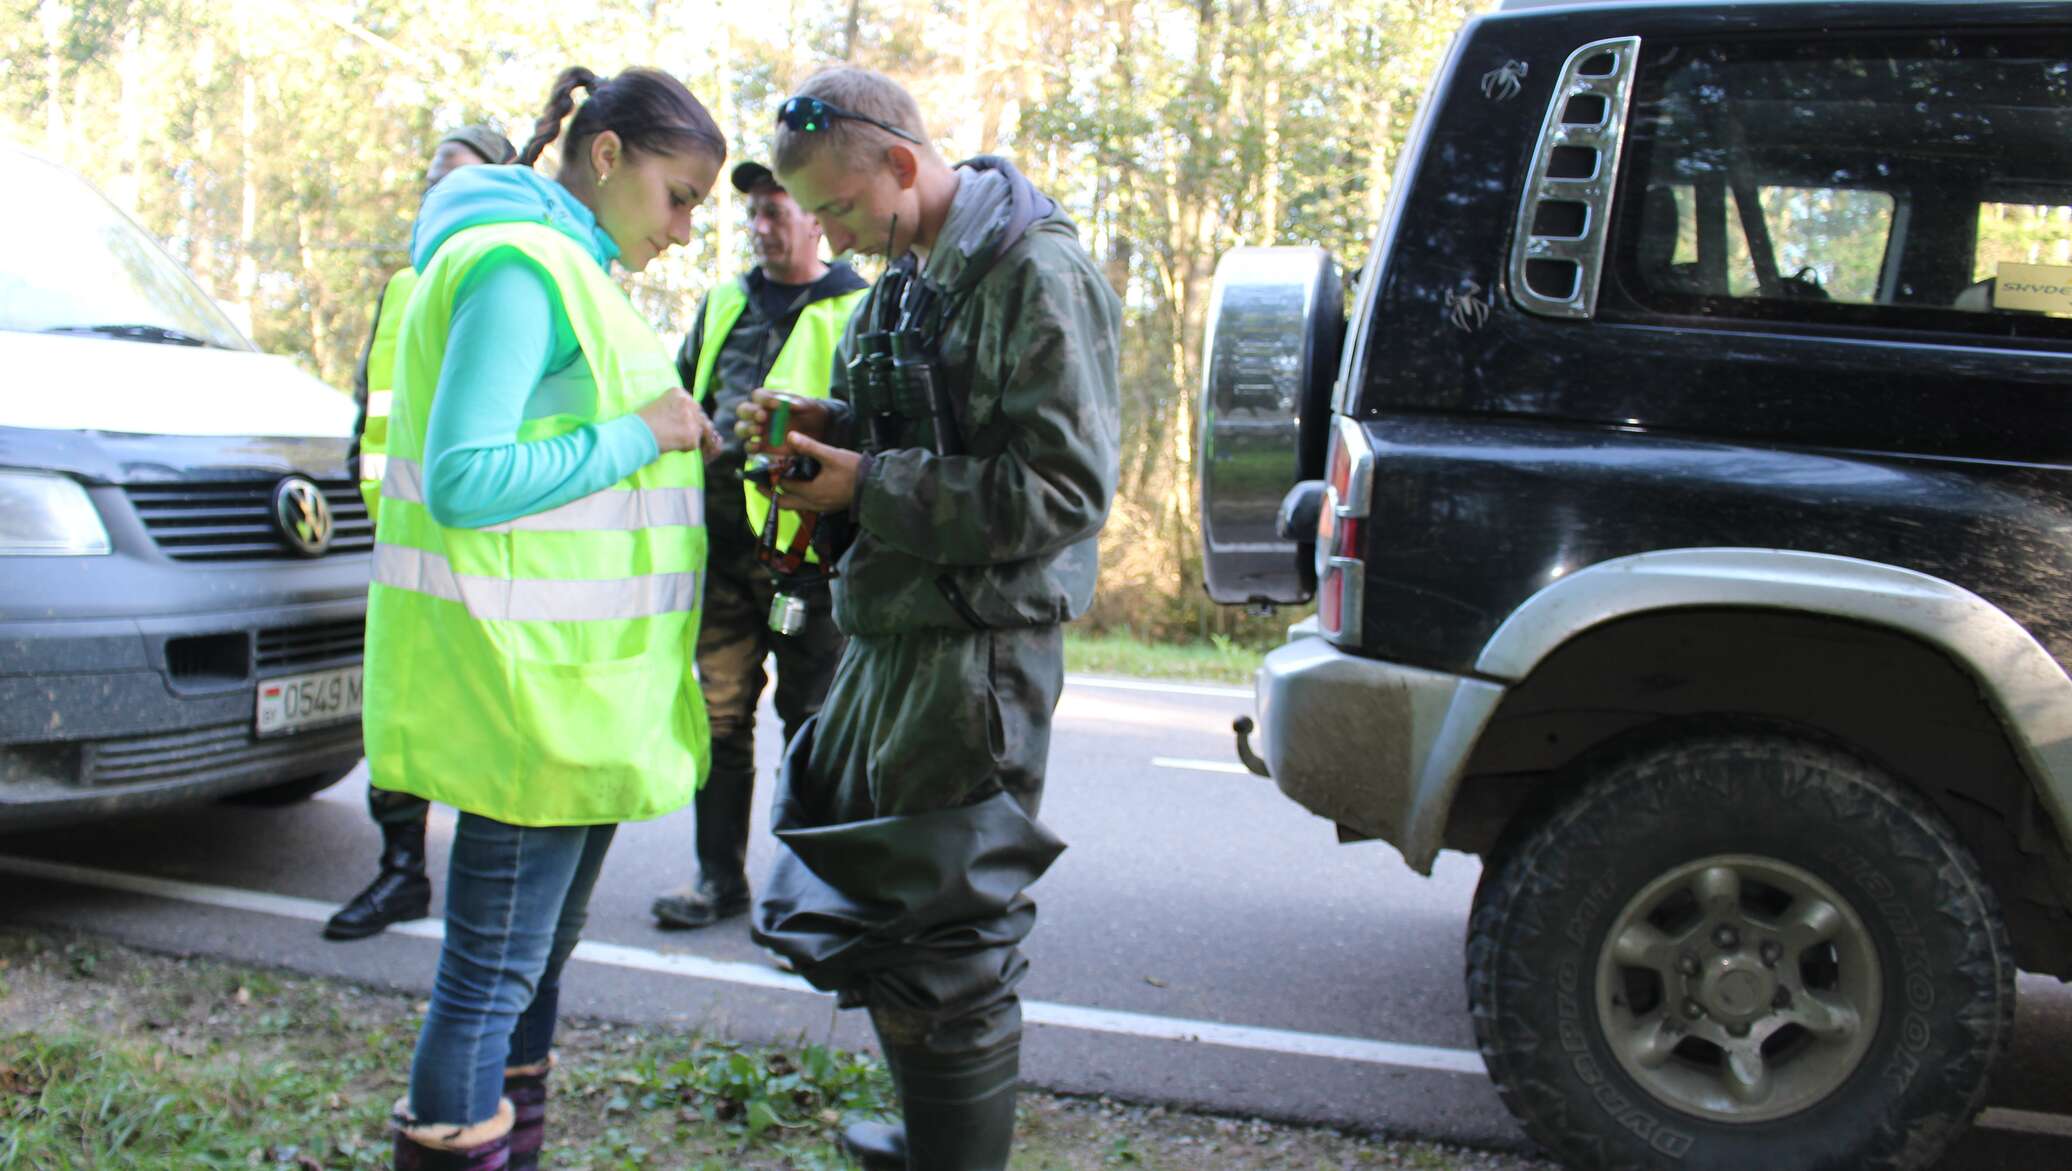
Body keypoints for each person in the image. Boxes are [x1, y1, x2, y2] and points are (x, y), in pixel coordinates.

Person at [743, 66, 1122, 1171]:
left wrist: (863, 483)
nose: (828, 233)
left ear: (900, 164)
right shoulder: (905, 275)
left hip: (977, 649)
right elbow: (924, 422)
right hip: (893, 630)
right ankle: (932, 1131)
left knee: (955, 928)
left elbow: (1058, 494)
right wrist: (826, 427)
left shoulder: (1034, 273)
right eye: (815, 215)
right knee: (886, 899)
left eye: (839, 208)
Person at [361, 66, 725, 1171]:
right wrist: (642, 433)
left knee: (525, 971)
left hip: (576, 696)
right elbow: (470, 478)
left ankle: (506, 1148)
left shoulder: (572, 269)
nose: (685, 228)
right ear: (605, 155)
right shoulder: (517, 268)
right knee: (485, 982)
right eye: (677, 195)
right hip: (527, 695)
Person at [648, 160, 866, 931]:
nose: (761, 228)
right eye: (753, 216)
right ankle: (718, 880)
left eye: (775, 212)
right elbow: (681, 400)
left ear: (813, 216)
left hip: (809, 570)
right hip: (723, 561)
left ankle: (804, 893)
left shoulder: (859, 312)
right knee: (718, 718)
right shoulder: (722, 306)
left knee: (813, 724)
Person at [329, 123, 517, 944]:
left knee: (474, 722)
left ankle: (484, 898)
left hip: (478, 549)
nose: (438, 197)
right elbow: (375, 411)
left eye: (460, 181)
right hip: (396, 542)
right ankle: (401, 871)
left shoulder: (508, 280)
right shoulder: (407, 283)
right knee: (397, 717)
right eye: (433, 182)